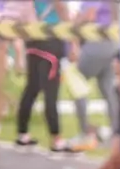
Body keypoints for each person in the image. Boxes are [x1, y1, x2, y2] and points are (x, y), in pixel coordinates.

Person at [14, 0, 73, 153]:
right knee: (51, 91)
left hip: (32, 40)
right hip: (51, 41)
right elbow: (61, 7)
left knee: (32, 88)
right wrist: (74, 40)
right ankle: (56, 139)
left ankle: (22, 133)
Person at [70, 1, 120, 150]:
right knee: (108, 89)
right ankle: (116, 133)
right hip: (111, 42)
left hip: (96, 43)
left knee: (78, 83)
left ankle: (85, 132)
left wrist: (73, 25)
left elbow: (89, 14)